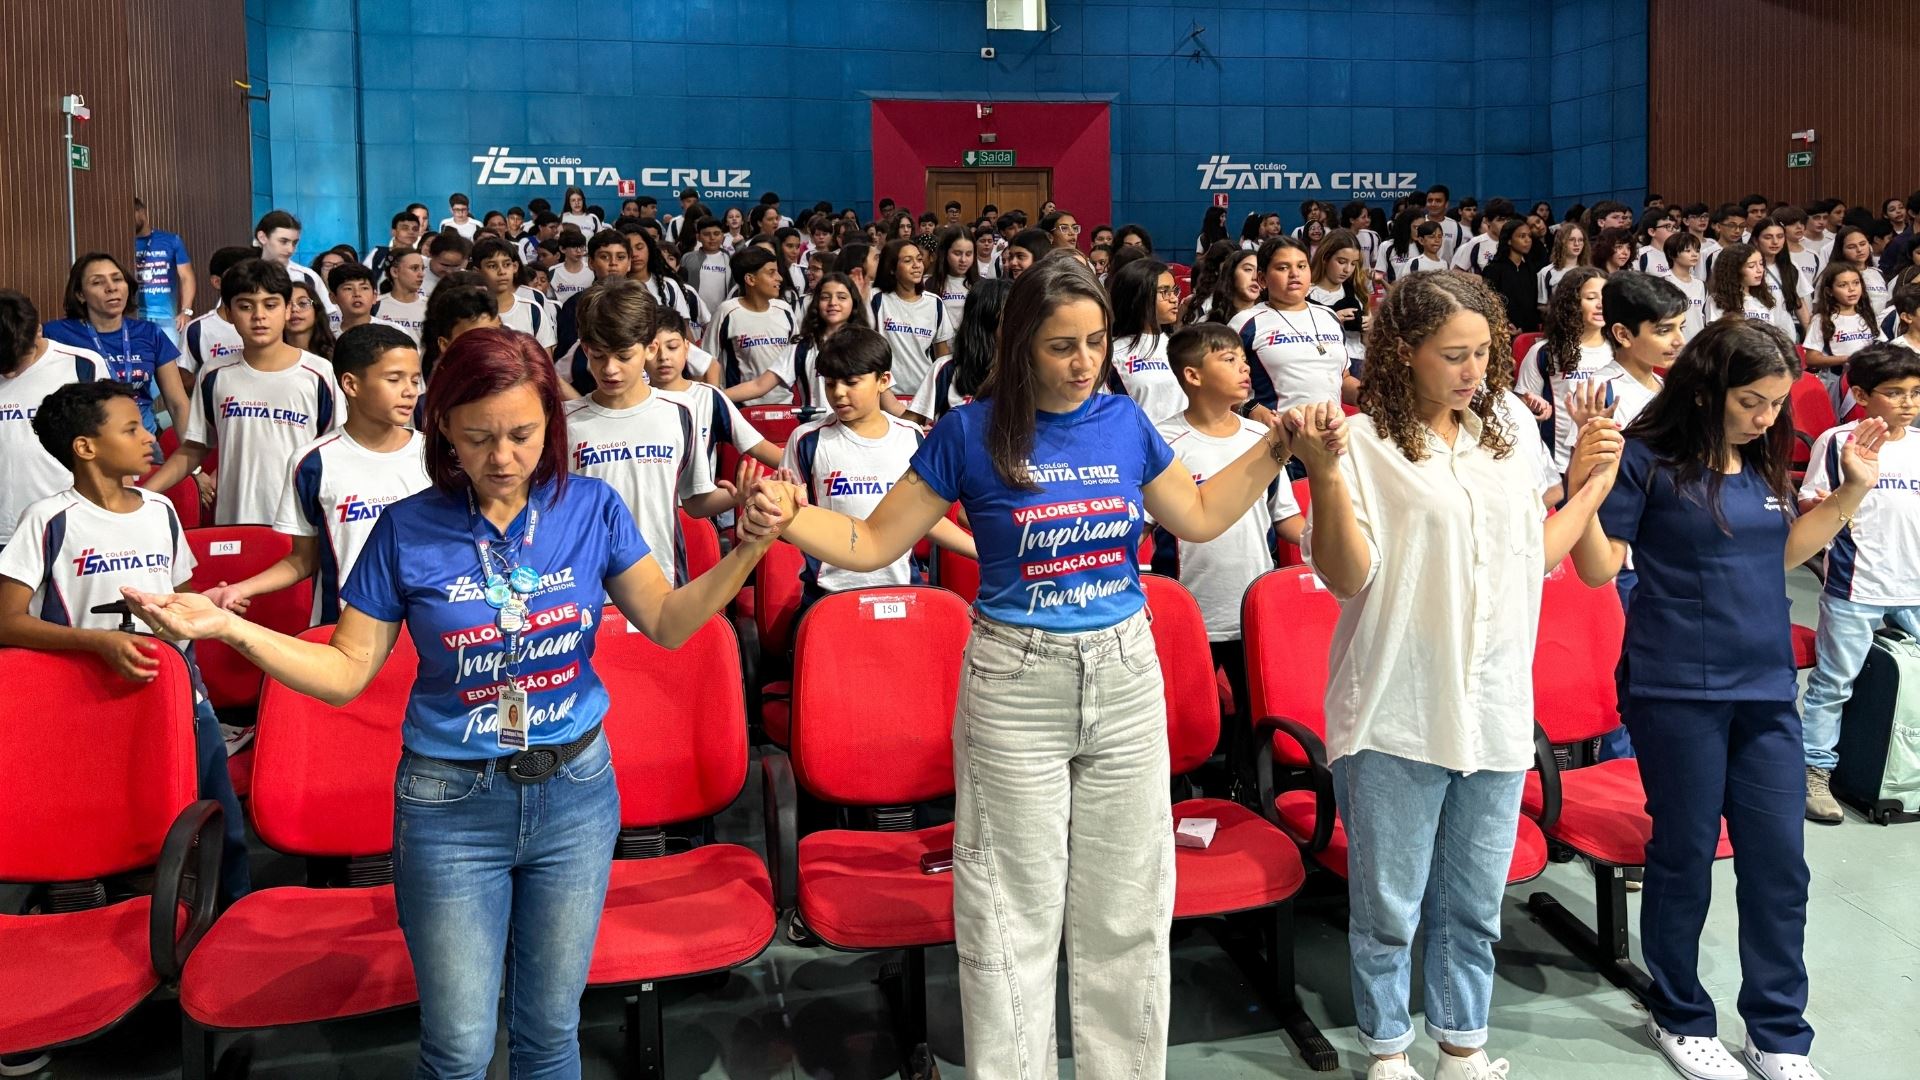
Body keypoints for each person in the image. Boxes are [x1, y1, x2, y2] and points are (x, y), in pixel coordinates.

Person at [119, 325, 789, 1079]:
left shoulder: (590, 508)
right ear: (443, 430)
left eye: (522, 435)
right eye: (478, 438)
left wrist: (748, 550)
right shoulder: (406, 529)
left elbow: (666, 622)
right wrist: (228, 628)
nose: (502, 458)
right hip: (450, 806)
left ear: (551, 423)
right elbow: (346, 670)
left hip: (575, 792)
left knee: (551, 1033)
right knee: (459, 1047)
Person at [739, 256, 1325, 1077]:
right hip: (1017, 683)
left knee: (1127, 907)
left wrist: (1277, 449)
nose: (1084, 362)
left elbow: (1196, 514)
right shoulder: (968, 432)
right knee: (1010, 911)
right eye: (1061, 346)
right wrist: (788, 518)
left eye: (1096, 342)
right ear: (1020, 346)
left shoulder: (1123, 421)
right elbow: (870, 542)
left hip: (1125, 672)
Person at [1297, 269, 1621, 1080]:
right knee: (1388, 908)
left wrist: (1589, 489)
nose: (1474, 370)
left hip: (1496, 705)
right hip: (1398, 707)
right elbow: (1346, 576)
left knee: (1474, 903)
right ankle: (1387, 1049)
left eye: (1483, 352)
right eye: (1453, 355)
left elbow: (1534, 560)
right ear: (1404, 353)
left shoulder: (1507, 430)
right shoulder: (1363, 445)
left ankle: (1462, 1046)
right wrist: (1325, 476)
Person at [1594, 319, 1883, 1080]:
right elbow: (1598, 567)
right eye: (1752, 401)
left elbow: (1777, 553)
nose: (1766, 417)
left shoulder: (1759, 459)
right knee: (1685, 852)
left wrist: (1852, 489)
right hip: (1676, 686)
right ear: (1706, 389)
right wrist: (1586, 486)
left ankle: (1778, 1032)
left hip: (1764, 688)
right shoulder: (1643, 457)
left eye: (1777, 403)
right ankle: (1680, 1014)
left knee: (1779, 862)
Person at [0, 379, 250, 899]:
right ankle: (111, 921)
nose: (150, 437)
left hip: (182, 695)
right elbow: (7, 621)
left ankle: (232, 920)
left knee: (219, 821)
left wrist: (210, 603)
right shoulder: (48, 519)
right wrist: (98, 643)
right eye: (131, 428)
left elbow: (179, 594)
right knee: (114, 828)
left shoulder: (160, 511)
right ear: (86, 447)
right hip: (91, 705)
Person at [200, 324, 428, 626]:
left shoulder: (433, 455)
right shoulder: (312, 462)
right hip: (341, 631)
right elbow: (303, 558)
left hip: (424, 628)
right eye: (394, 379)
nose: (410, 391)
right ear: (351, 384)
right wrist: (241, 589)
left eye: (414, 379)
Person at [1151, 323, 1304, 766]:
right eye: (1229, 359)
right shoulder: (1163, 442)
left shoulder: (1262, 438)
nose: (1244, 368)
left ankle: (1249, 791)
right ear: (1192, 375)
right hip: (1191, 610)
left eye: (1243, 358)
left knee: (1256, 721)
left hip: (1252, 607)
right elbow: (1140, 527)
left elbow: (1287, 519)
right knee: (1185, 722)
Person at [1797, 342, 1920, 824]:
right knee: (1834, 684)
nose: (1908, 403)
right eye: (1896, 393)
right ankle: (1815, 770)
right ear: (1863, 395)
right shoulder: (1837, 442)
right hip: (1857, 586)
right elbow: (1812, 503)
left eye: (1915, 392)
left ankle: (1903, 772)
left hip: (1914, 587)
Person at [781, 327, 973, 615]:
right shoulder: (806, 440)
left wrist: (981, 551)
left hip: (901, 593)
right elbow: (789, 527)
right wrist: (778, 512)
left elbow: (924, 520)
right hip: (829, 598)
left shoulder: (910, 436)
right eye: (830, 383)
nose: (838, 393)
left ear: (883, 380)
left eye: (851, 382)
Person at [143, 260, 342, 526]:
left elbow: (338, 452)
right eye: (245, 306)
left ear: (286, 310)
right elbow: (193, 449)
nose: (259, 315)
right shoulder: (214, 374)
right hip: (233, 523)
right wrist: (143, 493)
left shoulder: (318, 373)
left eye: (270, 305)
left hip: (301, 525)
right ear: (229, 312)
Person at [565, 280, 735, 585]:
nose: (610, 369)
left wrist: (740, 496)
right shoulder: (565, 422)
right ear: (586, 349)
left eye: (623, 356)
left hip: (664, 580)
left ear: (649, 348)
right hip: (590, 586)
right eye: (598, 356)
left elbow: (694, 500)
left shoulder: (682, 410)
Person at [42, 252, 190, 443]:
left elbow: (178, 404)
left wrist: (192, 457)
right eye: (97, 282)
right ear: (80, 294)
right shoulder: (54, 334)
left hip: (143, 444)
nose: (111, 288)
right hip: (84, 447)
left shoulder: (149, 333)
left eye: (117, 279)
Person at [0, 291, 103, 547]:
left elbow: (111, 442)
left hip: (65, 526)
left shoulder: (82, 366)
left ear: (38, 330)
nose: (9, 372)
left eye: (17, 360)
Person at [639, 307, 781, 478]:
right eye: (653, 349)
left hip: (703, 495)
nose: (663, 357)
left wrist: (801, 466)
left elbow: (757, 445)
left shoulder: (708, 397)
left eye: (672, 347)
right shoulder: (634, 401)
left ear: (686, 348)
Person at [1231, 237, 1353, 416]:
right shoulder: (1246, 323)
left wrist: (1369, 395)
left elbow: (1344, 379)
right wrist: (1252, 410)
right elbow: (1221, 387)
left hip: (1332, 429)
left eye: (1301, 266)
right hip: (1275, 430)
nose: (1295, 274)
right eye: (1283, 268)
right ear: (1262, 279)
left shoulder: (1329, 316)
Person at [1517, 266, 1611, 474]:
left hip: (1611, 464)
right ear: (1572, 303)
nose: (1600, 304)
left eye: (1605, 297)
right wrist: (1532, 406)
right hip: (1559, 465)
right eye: (1591, 298)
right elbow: (1520, 405)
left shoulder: (1622, 350)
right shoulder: (1544, 352)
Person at [909, 277, 1010, 425]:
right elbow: (910, 425)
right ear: (988, 318)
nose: (1019, 320)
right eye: (1010, 312)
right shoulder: (946, 369)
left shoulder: (1027, 370)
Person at [707, 247, 798, 406]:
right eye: (771, 273)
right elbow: (708, 360)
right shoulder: (727, 312)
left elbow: (795, 358)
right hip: (740, 408)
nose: (780, 278)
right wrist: (714, 401)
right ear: (750, 279)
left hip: (785, 407)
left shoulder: (785, 310)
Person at [1104, 257, 1183, 422]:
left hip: (1184, 437)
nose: (1174, 298)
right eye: (1164, 291)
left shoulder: (1180, 345)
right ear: (1137, 296)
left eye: (1174, 290)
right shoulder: (1111, 353)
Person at [1802, 262, 1882, 411]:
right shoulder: (1822, 320)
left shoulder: (1868, 316)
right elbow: (1811, 359)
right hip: (1836, 382)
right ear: (1829, 291)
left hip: (1867, 381)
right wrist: (1847, 359)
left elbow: (1881, 346)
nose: (1852, 289)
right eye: (1843, 285)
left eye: (1856, 283)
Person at [789, 271, 869, 411]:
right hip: (816, 422)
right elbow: (760, 385)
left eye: (841, 297)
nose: (833, 303)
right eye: (825, 297)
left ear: (854, 302)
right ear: (816, 303)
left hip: (856, 422)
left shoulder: (867, 344)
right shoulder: (802, 346)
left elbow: (886, 398)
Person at [182, 246, 257, 385]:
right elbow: (185, 377)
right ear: (217, 282)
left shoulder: (270, 322)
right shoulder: (197, 329)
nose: (248, 282)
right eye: (238, 276)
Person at [254, 210, 340, 321]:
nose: (290, 249)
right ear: (262, 237)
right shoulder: (245, 274)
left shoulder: (307, 277)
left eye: (294, 243)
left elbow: (330, 316)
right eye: (283, 241)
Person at [1308, 229, 1372, 375]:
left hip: (1357, 361)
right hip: (1322, 362)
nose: (1347, 269)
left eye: (1353, 264)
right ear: (1325, 258)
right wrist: (1332, 320)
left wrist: (1370, 326)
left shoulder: (1358, 293)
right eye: (1341, 262)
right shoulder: (1307, 293)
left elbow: (1367, 342)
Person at [133, 197, 196, 343]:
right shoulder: (124, 243)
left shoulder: (171, 240)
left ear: (141, 211)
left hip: (167, 319)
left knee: (174, 357)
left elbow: (186, 277)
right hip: (136, 318)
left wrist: (186, 311)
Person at [1480, 220, 1544, 334]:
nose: (1528, 240)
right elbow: (1489, 304)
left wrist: (1523, 328)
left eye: (1529, 236)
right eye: (1522, 236)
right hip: (1502, 332)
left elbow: (1534, 305)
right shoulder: (1493, 270)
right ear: (1509, 240)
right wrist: (1507, 325)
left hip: (1527, 332)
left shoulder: (1530, 270)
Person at [373, 249, 429, 345]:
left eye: (422, 269)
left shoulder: (430, 306)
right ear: (395, 272)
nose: (421, 274)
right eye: (414, 268)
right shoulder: (375, 305)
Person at [1665, 231, 1709, 340]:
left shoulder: (1701, 285)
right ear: (1672, 254)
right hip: (1673, 342)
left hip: (1697, 344)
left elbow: (1704, 317)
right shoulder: (1664, 282)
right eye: (1688, 251)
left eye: (1697, 250)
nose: (1694, 254)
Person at [285, 280, 336, 362]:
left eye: (302, 303)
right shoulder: (269, 358)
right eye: (287, 305)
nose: (294, 309)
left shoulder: (336, 355)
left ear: (316, 310)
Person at [364, 211, 420, 284]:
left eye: (415, 229)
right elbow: (363, 279)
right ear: (393, 232)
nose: (411, 232)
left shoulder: (421, 258)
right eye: (405, 228)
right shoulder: (378, 253)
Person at [328, 263, 380, 335]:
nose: (357, 294)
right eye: (348, 288)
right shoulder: (327, 337)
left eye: (364, 288)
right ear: (333, 297)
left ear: (374, 296)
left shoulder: (392, 331)